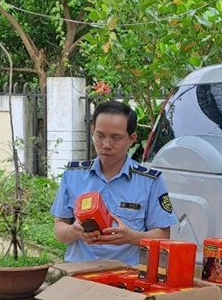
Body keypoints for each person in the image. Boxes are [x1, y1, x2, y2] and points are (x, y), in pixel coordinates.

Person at [52, 100, 176, 268]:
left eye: (115, 138)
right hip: (78, 270)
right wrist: (75, 231)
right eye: (100, 136)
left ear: (132, 139)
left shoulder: (149, 181)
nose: (106, 145)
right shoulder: (74, 175)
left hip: (126, 273)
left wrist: (131, 237)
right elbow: (59, 228)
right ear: (92, 131)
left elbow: (163, 235)